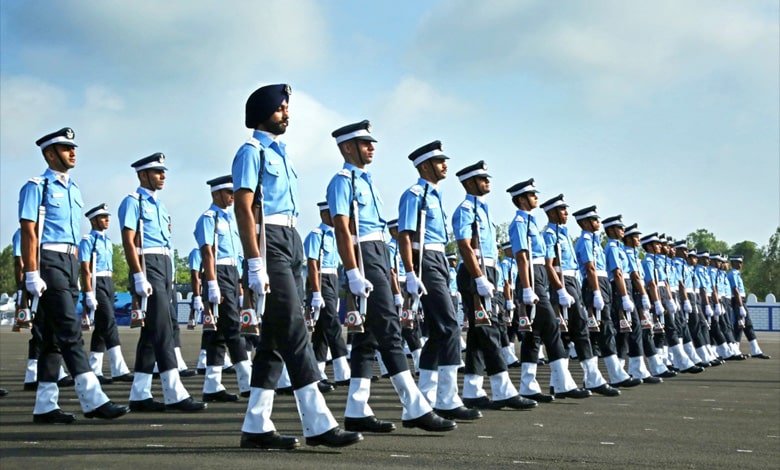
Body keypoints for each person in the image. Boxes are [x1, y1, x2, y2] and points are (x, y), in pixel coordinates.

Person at [234, 84, 361, 449]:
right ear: (262, 113)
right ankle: (318, 421)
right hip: (268, 240)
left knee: (273, 342)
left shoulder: (282, 153)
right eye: (280, 109)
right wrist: (255, 261)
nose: (286, 114)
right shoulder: (251, 151)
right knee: (294, 329)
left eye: (287, 108)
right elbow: (244, 208)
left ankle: (256, 426)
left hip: (290, 239)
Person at [326, 120, 456, 434]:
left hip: (379, 252)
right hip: (364, 254)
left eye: (372, 143)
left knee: (368, 338)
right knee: (389, 328)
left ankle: (357, 409)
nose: (372, 147)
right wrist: (354, 271)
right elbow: (344, 229)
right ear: (347, 147)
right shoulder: (342, 181)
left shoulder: (367, 180)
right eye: (364, 143)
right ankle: (414, 406)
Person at [19, 127, 128, 423]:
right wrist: (31, 272)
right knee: (70, 329)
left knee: (53, 337)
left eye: (73, 148)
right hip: (48, 258)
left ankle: (45, 405)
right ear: (49, 154)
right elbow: (29, 232)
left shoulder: (74, 188)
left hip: (68, 261)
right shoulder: (37, 186)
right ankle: (92, 398)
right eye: (66, 149)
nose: (72, 153)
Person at [397, 140, 481, 421]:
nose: (445, 165)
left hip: (440, 260)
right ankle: (447, 398)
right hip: (425, 261)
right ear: (424, 166)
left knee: (437, 331)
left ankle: (425, 397)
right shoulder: (415, 195)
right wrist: (410, 272)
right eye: (439, 161)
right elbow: (405, 236)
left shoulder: (436, 196)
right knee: (450, 326)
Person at [119, 152, 207, 413]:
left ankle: (140, 393)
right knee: (163, 329)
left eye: (164, 172)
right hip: (149, 264)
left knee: (152, 332)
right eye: (157, 172)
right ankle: (173, 391)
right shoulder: (132, 202)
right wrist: (137, 275)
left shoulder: (160, 205)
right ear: (142, 174)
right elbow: (129, 240)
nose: (163, 176)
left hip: (165, 264)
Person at [451, 161, 537, 410]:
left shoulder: (484, 209)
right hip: (474, 271)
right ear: (469, 183)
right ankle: (502, 389)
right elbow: (465, 245)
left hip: (488, 271)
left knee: (480, 334)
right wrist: (478, 277)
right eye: (482, 178)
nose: (487, 181)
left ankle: (472, 390)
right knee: (489, 331)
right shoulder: (466, 209)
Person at [506, 179, 591, 400]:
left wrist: (558, 289)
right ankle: (563, 383)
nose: (536, 198)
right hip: (530, 278)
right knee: (552, 328)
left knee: (534, 335)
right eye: (532, 195)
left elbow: (546, 262)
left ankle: (528, 386)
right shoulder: (519, 223)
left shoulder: (531, 222)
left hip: (539, 277)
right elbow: (523, 257)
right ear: (522, 199)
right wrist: (526, 288)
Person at [540, 194, 619, 396]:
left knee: (570, 332)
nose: (566, 213)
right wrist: (560, 290)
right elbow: (550, 266)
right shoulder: (550, 234)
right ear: (552, 212)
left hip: (572, 281)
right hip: (563, 282)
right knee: (577, 330)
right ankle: (592, 378)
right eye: (562, 209)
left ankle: (558, 383)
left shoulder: (564, 233)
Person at [193, 175, 252, 402]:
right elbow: (207, 252)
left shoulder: (230, 219)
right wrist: (211, 283)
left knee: (217, 335)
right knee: (234, 328)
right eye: (228, 193)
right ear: (216, 193)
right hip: (217, 272)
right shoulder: (209, 219)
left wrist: (238, 282)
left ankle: (212, 386)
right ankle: (247, 382)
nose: (232, 197)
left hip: (231, 273)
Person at [572, 205, 640, 388]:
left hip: (601, 285)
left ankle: (603, 376)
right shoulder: (586, 241)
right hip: (593, 285)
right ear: (585, 222)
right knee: (598, 331)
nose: (597, 223)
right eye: (594, 220)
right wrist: (595, 292)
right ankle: (605, 376)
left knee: (603, 330)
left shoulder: (595, 242)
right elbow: (590, 268)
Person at [602, 215, 661, 384]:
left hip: (625, 288)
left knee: (631, 331)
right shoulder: (613, 248)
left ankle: (634, 370)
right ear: (612, 230)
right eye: (620, 228)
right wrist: (626, 297)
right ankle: (623, 372)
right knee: (625, 331)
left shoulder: (619, 248)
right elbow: (618, 274)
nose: (622, 230)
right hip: (619, 289)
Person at [79, 204, 134, 384]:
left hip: (108, 282)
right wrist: (88, 293)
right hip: (96, 282)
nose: (107, 220)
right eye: (103, 217)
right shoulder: (88, 240)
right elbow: (85, 270)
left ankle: (94, 369)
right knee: (110, 322)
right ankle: (119, 368)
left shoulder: (108, 240)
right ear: (94, 220)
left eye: (107, 217)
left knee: (103, 326)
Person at [304, 201, 352, 386]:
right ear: (325, 214)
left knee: (323, 331)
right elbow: (312, 265)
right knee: (333, 325)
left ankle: (318, 372)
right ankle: (342, 371)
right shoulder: (318, 235)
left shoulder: (335, 235)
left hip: (332, 280)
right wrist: (316, 292)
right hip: (321, 280)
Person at [386, 219, 423, 375]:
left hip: (407, 287)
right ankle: (392, 367)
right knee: (400, 328)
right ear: (393, 232)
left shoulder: (404, 247)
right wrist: (396, 294)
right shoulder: (390, 248)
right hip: (398, 287)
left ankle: (418, 365)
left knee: (411, 326)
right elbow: (391, 272)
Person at [728, 256, 770, 359]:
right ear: (732, 263)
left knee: (748, 326)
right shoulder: (733, 274)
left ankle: (755, 350)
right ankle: (736, 351)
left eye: (741, 262)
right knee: (739, 326)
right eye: (738, 262)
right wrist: (741, 306)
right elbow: (736, 290)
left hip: (741, 301)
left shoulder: (737, 274)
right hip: (738, 302)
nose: (740, 264)